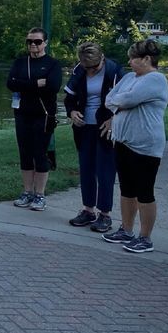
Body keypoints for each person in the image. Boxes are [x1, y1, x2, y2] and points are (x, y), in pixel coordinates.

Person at [102, 39, 168, 253]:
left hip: (145, 145)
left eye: (133, 58)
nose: (130, 62)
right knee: (127, 189)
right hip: (123, 141)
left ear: (147, 59)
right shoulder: (130, 77)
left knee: (144, 192)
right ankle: (126, 229)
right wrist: (120, 101)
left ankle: (145, 237)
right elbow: (109, 99)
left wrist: (120, 101)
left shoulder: (156, 79)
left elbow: (127, 100)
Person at [63, 42, 125, 233]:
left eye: (94, 67)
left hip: (106, 127)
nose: (90, 71)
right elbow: (69, 98)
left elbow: (127, 101)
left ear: (102, 58)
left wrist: (114, 119)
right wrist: (72, 112)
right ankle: (88, 210)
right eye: (86, 67)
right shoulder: (79, 70)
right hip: (84, 127)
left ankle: (105, 214)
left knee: (105, 170)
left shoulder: (115, 72)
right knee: (86, 169)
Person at [7, 27, 62, 212]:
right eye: (29, 41)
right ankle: (27, 191)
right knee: (25, 153)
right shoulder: (20, 62)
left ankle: (40, 194)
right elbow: (11, 83)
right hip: (22, 113)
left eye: (37, 41)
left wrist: (23, 85)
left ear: (45, 43)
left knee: (40, 154)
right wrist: (36, 83)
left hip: (44, 115)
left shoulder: (53, 64)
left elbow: (53, 86)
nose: (33, 45)